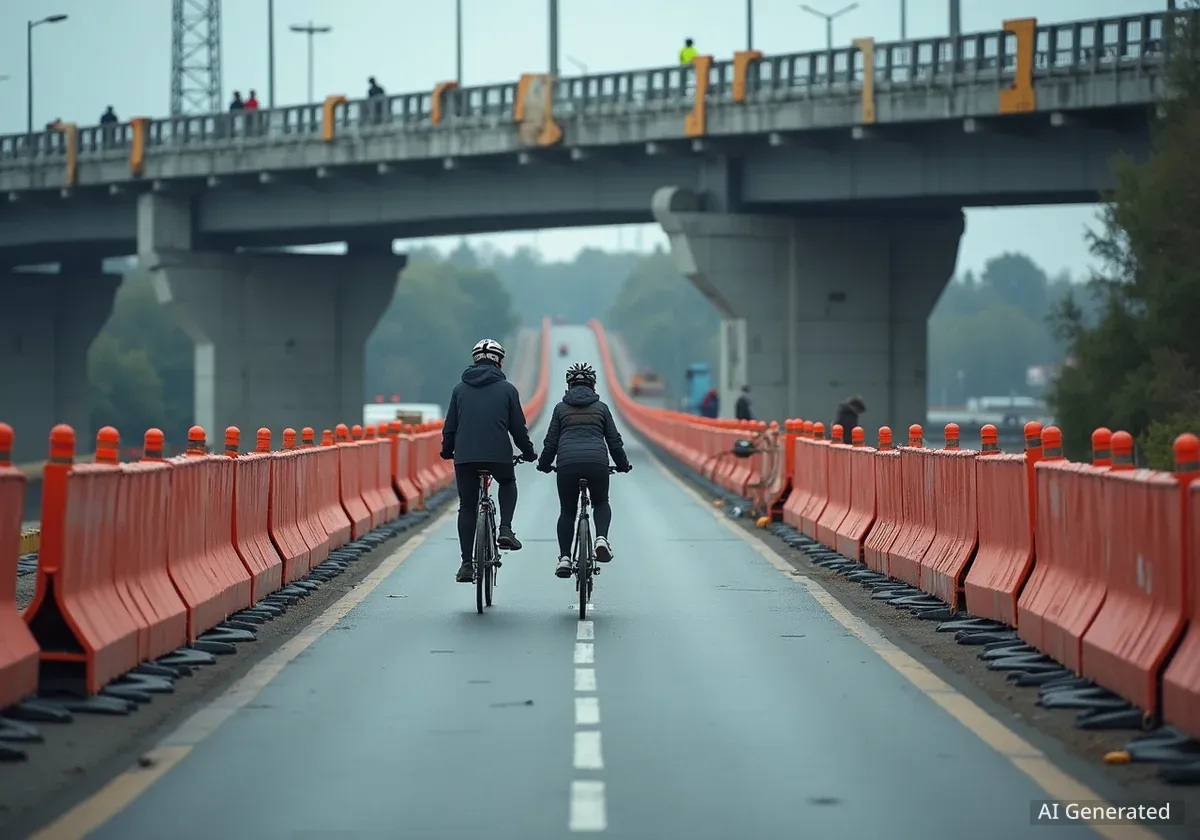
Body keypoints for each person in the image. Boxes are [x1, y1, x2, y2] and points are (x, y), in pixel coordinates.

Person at [441, 338, 538, 584]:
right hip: (498, 455)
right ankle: (505, 528)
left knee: (467, 506)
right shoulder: (508, 390)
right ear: (500, 362)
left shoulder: (459, 389)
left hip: (465, 457)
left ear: (475, 360)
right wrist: (528, 452)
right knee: (507, 481)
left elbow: (450, 426)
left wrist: (447, 451)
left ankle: (466, 564)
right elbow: (518, 429)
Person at [537, 362, 633, 579]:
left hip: (567, 465)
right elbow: (614, 441)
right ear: (593, 386)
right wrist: (623, 464)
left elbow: (551, 442)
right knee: (601, 502)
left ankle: (565, 558)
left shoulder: (560, 409)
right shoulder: (601, 408)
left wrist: (544, 464)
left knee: (567, 511)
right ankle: (601, 538)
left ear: (569, 385)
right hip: (597, 463)